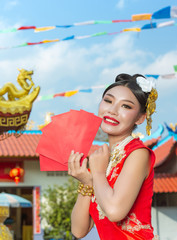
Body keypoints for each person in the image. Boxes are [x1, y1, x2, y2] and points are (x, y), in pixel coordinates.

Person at [68, 73, 158, 240]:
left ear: (140, 117)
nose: (112, 110)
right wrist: (87, 183)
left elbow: (115, 212)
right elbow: (79, 230)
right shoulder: (103, 160)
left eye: (126, 106)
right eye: (108, 101)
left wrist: (98, 173)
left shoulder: (138, 153)